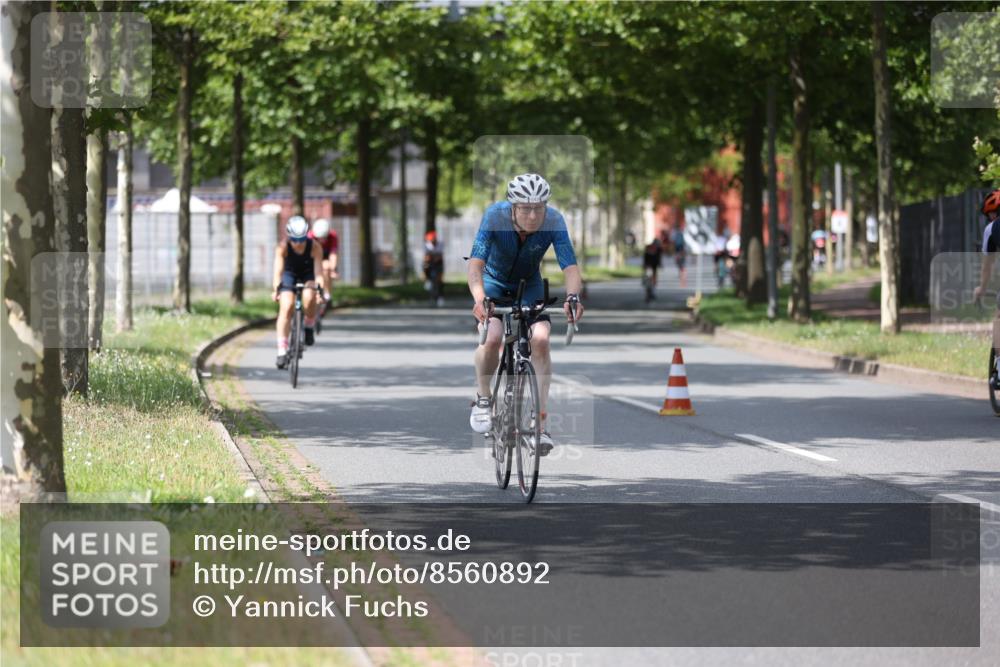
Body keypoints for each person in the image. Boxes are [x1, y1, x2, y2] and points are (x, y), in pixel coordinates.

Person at [467, 173, 585, 456]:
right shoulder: (495, 217)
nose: (533, 215)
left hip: (529, 285)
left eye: (539, 208)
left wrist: (572, 297)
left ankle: (540, 423)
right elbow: (475, 265)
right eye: (525, 208)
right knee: (493, 337)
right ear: (513, 208)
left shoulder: (554, 221)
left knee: (541, 340)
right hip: (493, 283)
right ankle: (484, 399)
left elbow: (569, 266)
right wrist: (480, 299)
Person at [272, 215, 325, 369]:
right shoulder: (282, 247)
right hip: (290, 275)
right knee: (287, 306)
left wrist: (319, 291)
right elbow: (277, 273)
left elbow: (319, 273)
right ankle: (282, 350)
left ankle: (309, 324)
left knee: (309, 297)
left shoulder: (315, 247)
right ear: (289, 237)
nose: (298, 243)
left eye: (302, 239)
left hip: (308, 274)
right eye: (295, 240)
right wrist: (276, 289)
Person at [972, 189, 1000, 387]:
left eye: (989, 214)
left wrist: (981, 289)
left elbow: (987, 264)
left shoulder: (992, 228)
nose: (989, 217)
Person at [309, 218, 339, 319]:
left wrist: (333, 269)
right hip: (312, 257)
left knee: (326, 267)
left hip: (325, 257)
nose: (321, 240)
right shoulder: (310, 237)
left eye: (324, 238)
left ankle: (327, 293)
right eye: (319, 238)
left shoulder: (333, 236)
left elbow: (333, 254)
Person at [422, 230, 445, 307]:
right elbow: (426, 257)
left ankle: (440, 297)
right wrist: (430, 257)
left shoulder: (440, 244)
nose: (432, 241)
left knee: (439, 280)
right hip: (430, 263)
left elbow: (439, 256)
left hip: (438, 263)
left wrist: (434, 256)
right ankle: (427, 279)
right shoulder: (427, 245)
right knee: (425, 266)